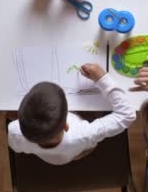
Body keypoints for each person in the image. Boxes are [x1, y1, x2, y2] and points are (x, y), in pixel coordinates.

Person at [8, 63, 136, 165]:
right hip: (77, 149)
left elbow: (16, 146)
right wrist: (103, 79)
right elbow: (127, 115)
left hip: (54, 157)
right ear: (66, 125)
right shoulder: (84, 133)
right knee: (98, 106)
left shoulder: (14, 132)